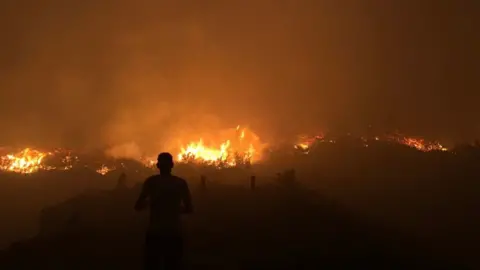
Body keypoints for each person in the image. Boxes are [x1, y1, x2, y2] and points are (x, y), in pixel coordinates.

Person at [135, 152, 193, 270]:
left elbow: (138, 206)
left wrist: (153, 203)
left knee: (152, 265)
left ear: (158, 166)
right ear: (172, 165)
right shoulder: (180, 183)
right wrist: (174, 209)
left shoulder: (151, 182)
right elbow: (189, 208)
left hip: (155, 232)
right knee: (173, 265)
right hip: (173, 232)